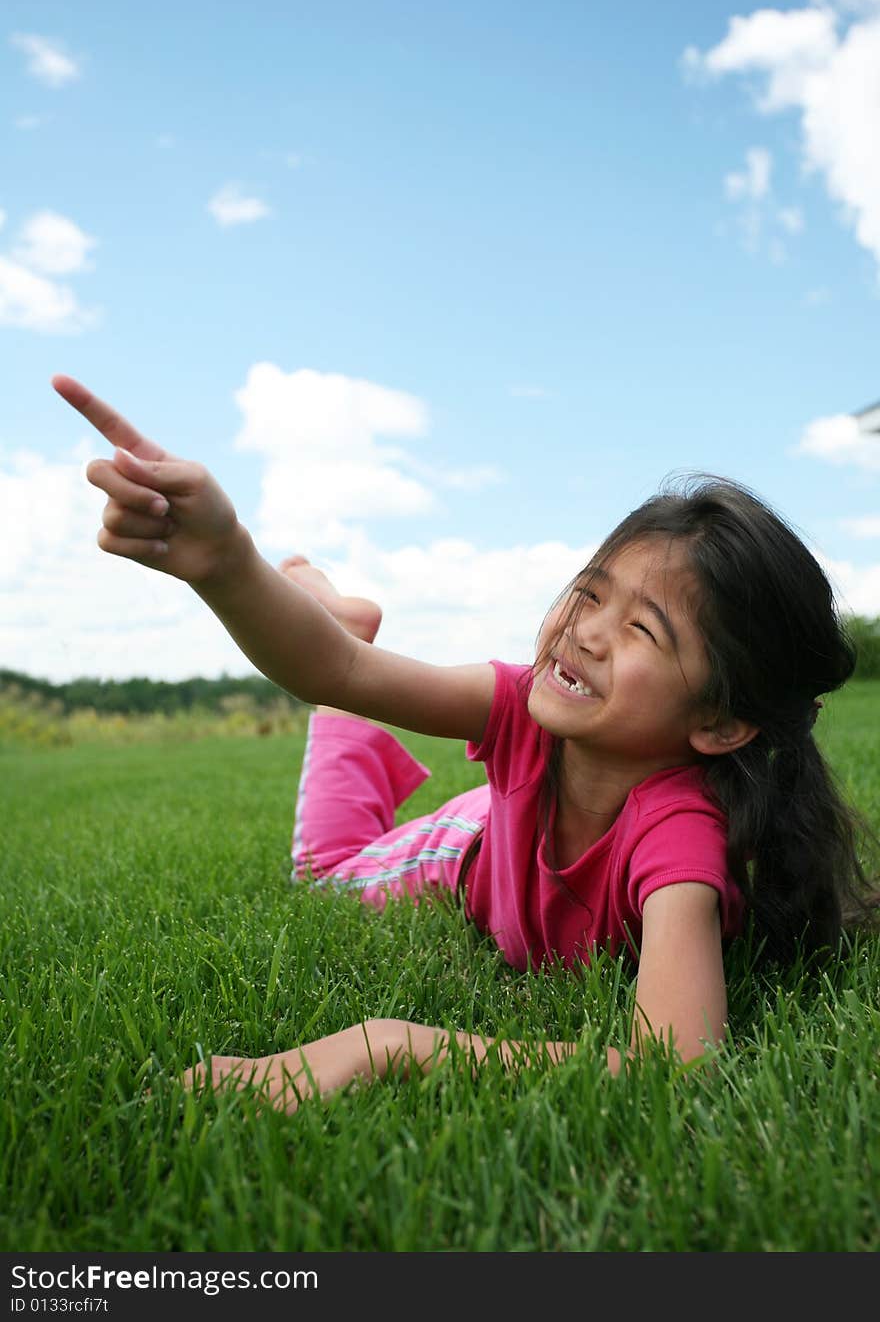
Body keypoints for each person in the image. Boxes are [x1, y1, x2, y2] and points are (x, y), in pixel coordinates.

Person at [52, 373, 879, 1113]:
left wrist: (392, 1042)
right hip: (470, 840)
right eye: (589, 594)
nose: (585, 634)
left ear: (721, 723)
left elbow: (678, 1066)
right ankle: (338, 611)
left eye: (639, 629)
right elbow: (335, 670)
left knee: (324, 866)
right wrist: (226, 564)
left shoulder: (678, 838)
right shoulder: (521, 702)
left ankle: (344, 618)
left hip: (487, 825)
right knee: (325, 872)